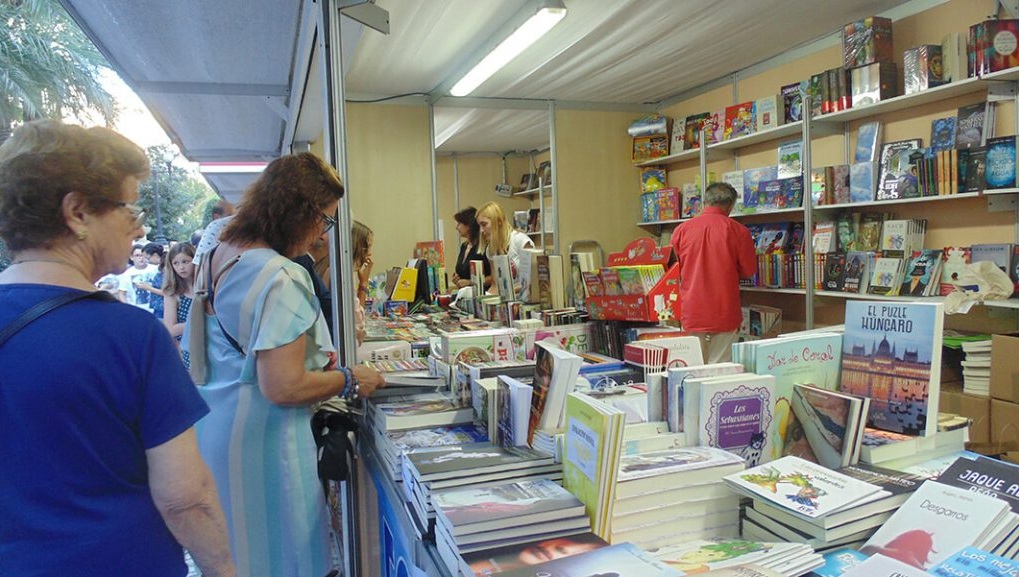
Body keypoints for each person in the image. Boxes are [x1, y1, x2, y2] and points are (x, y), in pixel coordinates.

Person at [0, 120, 234, 576]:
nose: (137, 226)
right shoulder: (130, 336)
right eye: (129, 207)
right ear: (78, 213)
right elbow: (185, 497)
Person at [185, 152, 385, 577]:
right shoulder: (281, 277)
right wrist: (349, 378)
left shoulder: (221, 246)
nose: (322, 235)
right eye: (325, 221)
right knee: (284, 557)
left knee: (241, 553)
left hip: (217, 424)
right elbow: (283, 385)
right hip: (265, 441)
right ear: (302, 213)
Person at [669, 181, 756, 363]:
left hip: (692, 308)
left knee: (691, 366)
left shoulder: (681, 230)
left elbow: (673, 270)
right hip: (725, 308)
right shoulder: (739, 231)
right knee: (720, 371)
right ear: (730, 205)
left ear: (704, 202)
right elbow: (749, 270)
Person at [476, 201, 534, 301]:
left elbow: (533, 280)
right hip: (507, 305)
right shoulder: (490, 250)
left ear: (498, 221)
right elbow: (495, 285)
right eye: (479, 226)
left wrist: (507, 292)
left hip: (527, 303)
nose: (481, 230)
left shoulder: (520, 241)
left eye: (484, 224)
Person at [164, 242, 196, 367]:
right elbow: (170, 329)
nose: (181, 267)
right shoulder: (172, 292)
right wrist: (199, 321)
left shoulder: (207, 287)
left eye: (185, 262)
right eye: (176, 263)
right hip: (188, 350)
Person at [451, 206, 489, 289]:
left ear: (468, 225)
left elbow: (493, 277)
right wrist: (457, 280)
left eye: (459, 224)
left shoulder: (484, 247)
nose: (456, 228)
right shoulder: (464, 247)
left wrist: (470, 282)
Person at [352, 220, 374, 346]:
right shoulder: (342, 274)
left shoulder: (349, 273)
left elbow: (358, 312)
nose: (370, 252)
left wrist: (363, 283)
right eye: (368, 246)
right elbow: (359, 322)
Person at [118, 242, 155, 310]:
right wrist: (127, 308)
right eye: (137, 255)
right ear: (131, 257)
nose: (141, 258)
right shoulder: (127, 274)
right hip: (137, 310)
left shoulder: (155, 269)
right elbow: (121, 293)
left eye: (143, 255)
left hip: (155, 310)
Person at [137, 241, 167, 319]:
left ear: (155, 255)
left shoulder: (166, 268)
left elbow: (167, 292)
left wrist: (148, 288)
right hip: (159, 307)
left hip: (164, 307)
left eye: (147, 258)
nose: (147, 261)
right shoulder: (161, 268)